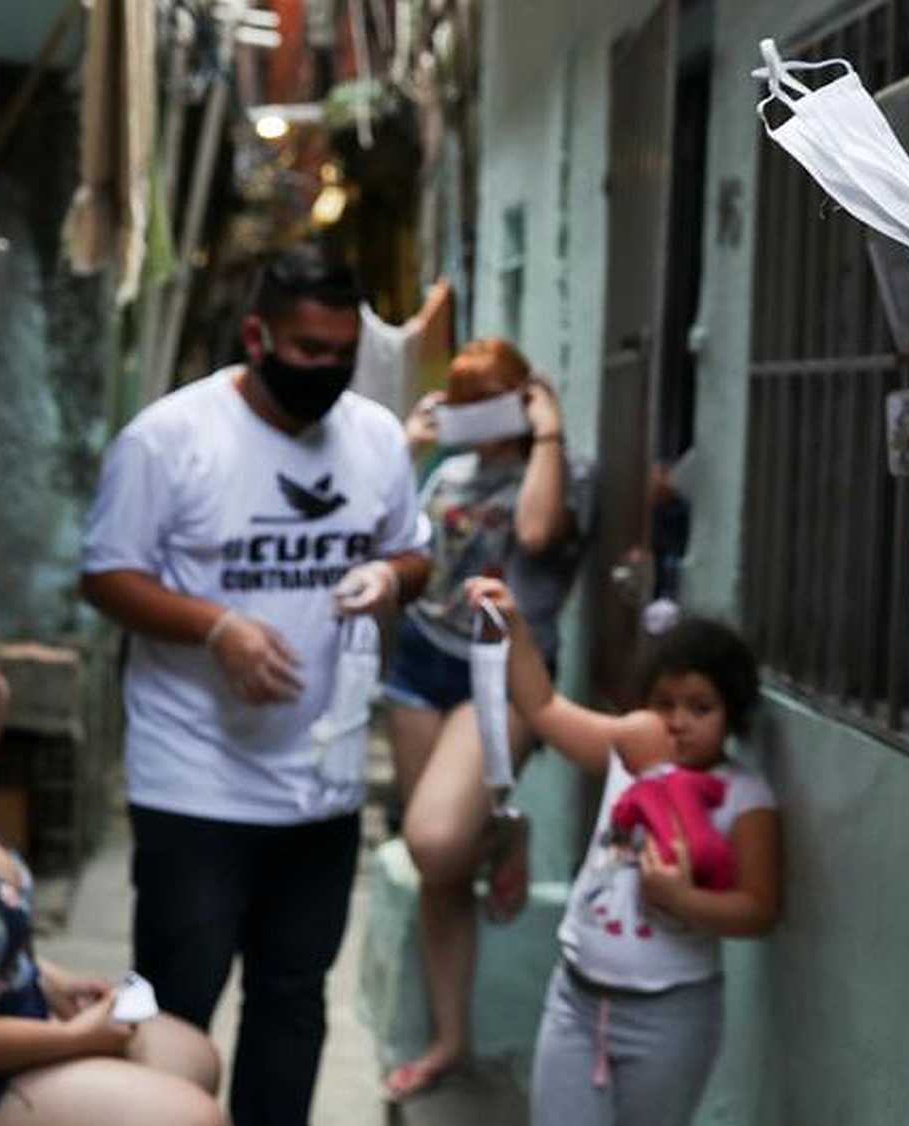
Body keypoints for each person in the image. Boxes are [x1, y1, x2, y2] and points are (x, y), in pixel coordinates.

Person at [79, 243, 430, 1126]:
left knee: (293, 998)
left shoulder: (375, 437)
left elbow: (412, 548)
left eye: (342, 355)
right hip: (196, 779)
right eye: (308, 352)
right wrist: (217, 625)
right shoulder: (168, 439)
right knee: (175, 1009)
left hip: (323, 783)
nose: (327, 372)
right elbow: (106, 574)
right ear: (257, 335)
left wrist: (391, 580)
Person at [0, 598, 226, 1126]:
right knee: (193, 1116)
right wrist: (68, 1040)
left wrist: (47, 978)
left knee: (190, 1054)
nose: (4, 686)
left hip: (15, 1021)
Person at [465, 577, 780, 1126]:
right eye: (665, 704)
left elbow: (758, 909)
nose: (678, 721)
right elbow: (541, 706)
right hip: (575, 1001)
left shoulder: (745, 798)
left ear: (732, 713)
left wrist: (680, 899)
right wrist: (513, 626)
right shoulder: (633, 750)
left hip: (671, 1017)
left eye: (700, 707)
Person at [380, 336, 591, 1098]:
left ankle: (498, 827)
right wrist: (408, 448)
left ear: (524, 397)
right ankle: (449, 1040)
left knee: (437, 841)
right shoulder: (449, 472)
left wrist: (550, 431)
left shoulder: (564, 472)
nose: (473, 419)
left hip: (504, 670)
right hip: (420, 663)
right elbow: (384, 538)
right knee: (439, 872)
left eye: (487, 402)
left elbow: (536, 534)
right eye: (463, 404)